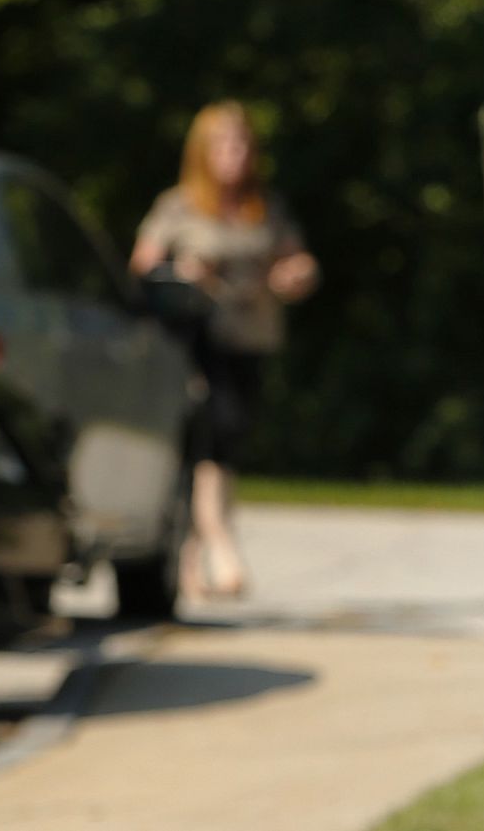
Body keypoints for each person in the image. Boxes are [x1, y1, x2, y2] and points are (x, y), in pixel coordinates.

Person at [130, 100, 318, 600]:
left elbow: (297, 261)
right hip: (194, 340)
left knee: (224, 442)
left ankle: (192, 561)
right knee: (209, 435)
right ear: (203, 151)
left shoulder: (265, 207)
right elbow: (143, 268)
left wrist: (294, 275)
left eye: (243, 143)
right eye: (225, 143)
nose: (236, 153)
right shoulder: (178, 206)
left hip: (249, 337)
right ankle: (220, 544)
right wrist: (182, 273)